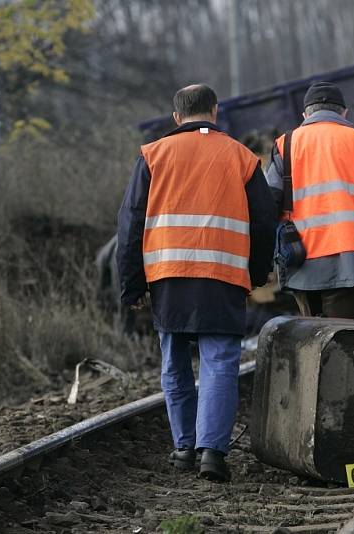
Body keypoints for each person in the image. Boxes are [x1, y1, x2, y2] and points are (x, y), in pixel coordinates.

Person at [116, 84, 276, 482]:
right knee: (220, 363)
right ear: (215, 111)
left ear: (176, 117)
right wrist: (255, 274)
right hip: (223, 275)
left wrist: (131, 285)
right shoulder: (242, 156)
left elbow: (131, 224)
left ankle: (184, 447)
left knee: (174, 363)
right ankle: (212, 453)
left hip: (168, 275)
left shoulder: (152, 155)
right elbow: (264, 220)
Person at [265, 81, 354, 320]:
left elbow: (268, 203)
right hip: (351, 258)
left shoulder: (285, 144)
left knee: (312, 340)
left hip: (301, 260)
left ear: (305, 114)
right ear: (344, 112)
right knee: (344, 341)